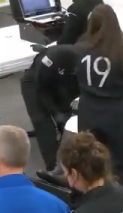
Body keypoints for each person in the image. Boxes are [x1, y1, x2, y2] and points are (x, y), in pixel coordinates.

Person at [72, 4, 123, 199]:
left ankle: (86, 202)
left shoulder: (80, 48)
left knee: (87, 158)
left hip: (88, 110)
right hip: (114, 114)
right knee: (122, 165)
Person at [21, 43, 82, 181]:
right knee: (43, 123)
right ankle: (53, 169)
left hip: (62, 82)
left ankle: (70, 165)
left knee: (69, 121)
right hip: (35, 84)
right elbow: (42, 90)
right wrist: (56, 112)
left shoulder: (85, 60)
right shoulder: (52, 59)